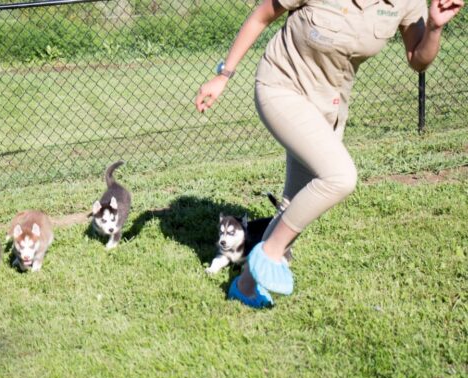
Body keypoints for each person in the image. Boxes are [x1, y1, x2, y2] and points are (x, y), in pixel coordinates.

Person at [195, 0, 464, 308]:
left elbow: (418, 60)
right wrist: (223, 75)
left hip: (328, 106)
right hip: (281, 86)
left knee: (295, 205)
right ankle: (268, 254)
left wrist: (434, 26)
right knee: (340, 176)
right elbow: (261, 15)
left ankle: (244, 286)